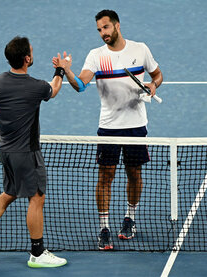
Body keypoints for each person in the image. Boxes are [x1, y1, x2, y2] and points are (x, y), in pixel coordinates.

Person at [58, 10, 163, 250]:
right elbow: (81, 85)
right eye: (99, 30)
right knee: (105, 177)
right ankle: (104, 227)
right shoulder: (96, 56)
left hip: (136, 126)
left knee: (134, 175)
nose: (102, 33)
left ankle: (130, 219)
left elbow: (157, 75)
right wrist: (67, 71)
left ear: (117, 25)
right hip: (109, 128)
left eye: (105, 28)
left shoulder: (140, 49)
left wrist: (152, 85)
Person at [0, 36, 70, 267]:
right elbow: (53, 90)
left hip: (5, 150)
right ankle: (37, 253)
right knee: (37, 197)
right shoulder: (36, 86)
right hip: (27, 153)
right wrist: (61, 70)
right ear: (27, 59)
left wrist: (4, 121)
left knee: (10, 193)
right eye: (31, 51)